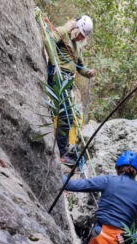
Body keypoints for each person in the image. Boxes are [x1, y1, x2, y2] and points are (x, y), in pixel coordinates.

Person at [44, 15, 95, 165]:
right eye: (80, 33)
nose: (80, 37)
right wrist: (55, 64)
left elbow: (80, 66)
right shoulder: (62, 32)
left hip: (67, 81)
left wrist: (88, 72)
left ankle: (62, 149)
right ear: (75, 27)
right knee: (65, 115)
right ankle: (62, 152)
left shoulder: (77, 46)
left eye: (82, 36)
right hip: (57, 76)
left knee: (68, 115)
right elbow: (48, 40)